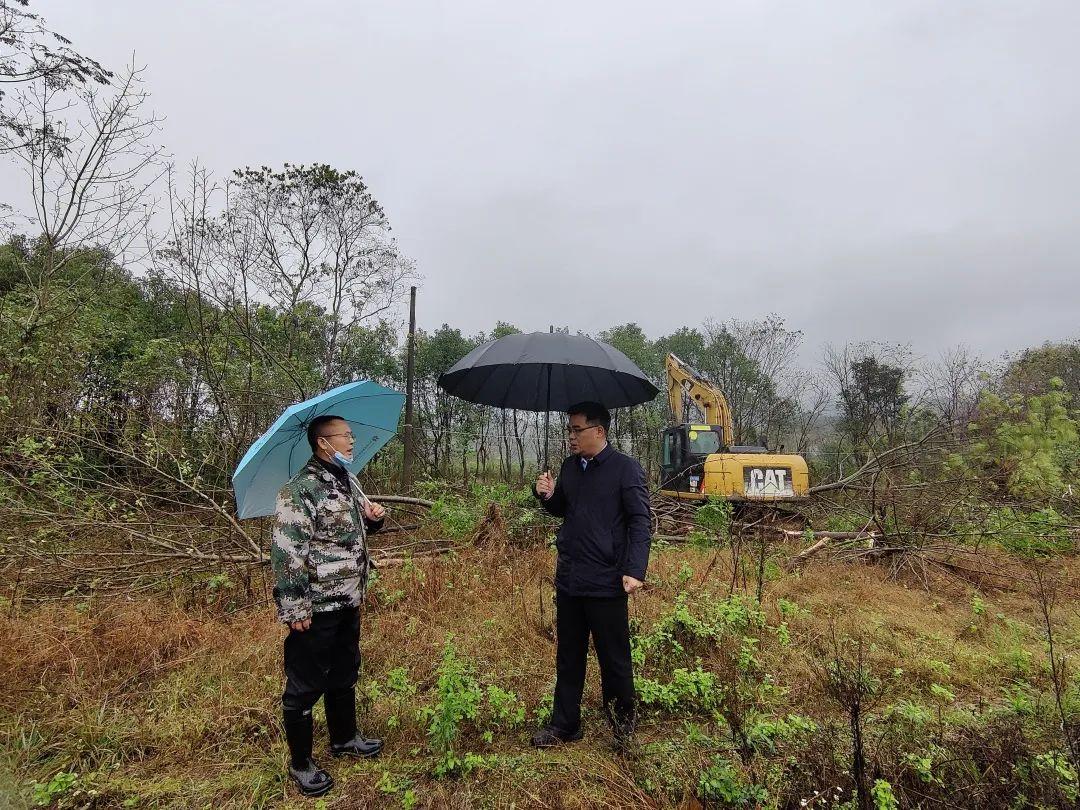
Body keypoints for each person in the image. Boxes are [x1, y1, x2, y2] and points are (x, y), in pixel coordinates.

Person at [271, 413, 387, 797]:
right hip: (316, 606)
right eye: (346, 436)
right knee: (305, 682)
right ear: (324, 443)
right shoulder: (300, 489)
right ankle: (301, 764)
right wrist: (295, 607)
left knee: (343, 670)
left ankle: (344, 739)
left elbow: (345, 535)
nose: (352, 442)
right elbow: (288, 552)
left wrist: (373, 520)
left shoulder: (346, 481)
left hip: (349, 597)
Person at [530, 401, 652, 750]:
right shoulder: (570, 467)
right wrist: (547, 495)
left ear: (599, 431)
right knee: (569, 655)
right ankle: (565, 724)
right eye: (569, 430)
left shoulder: (625, 469)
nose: (570, 436)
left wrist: (634, 568)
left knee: (614, 657)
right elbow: (562, 509)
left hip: (607, 580)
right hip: (571, 577)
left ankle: (622, 728)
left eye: (576, 430)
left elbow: (640, 521)